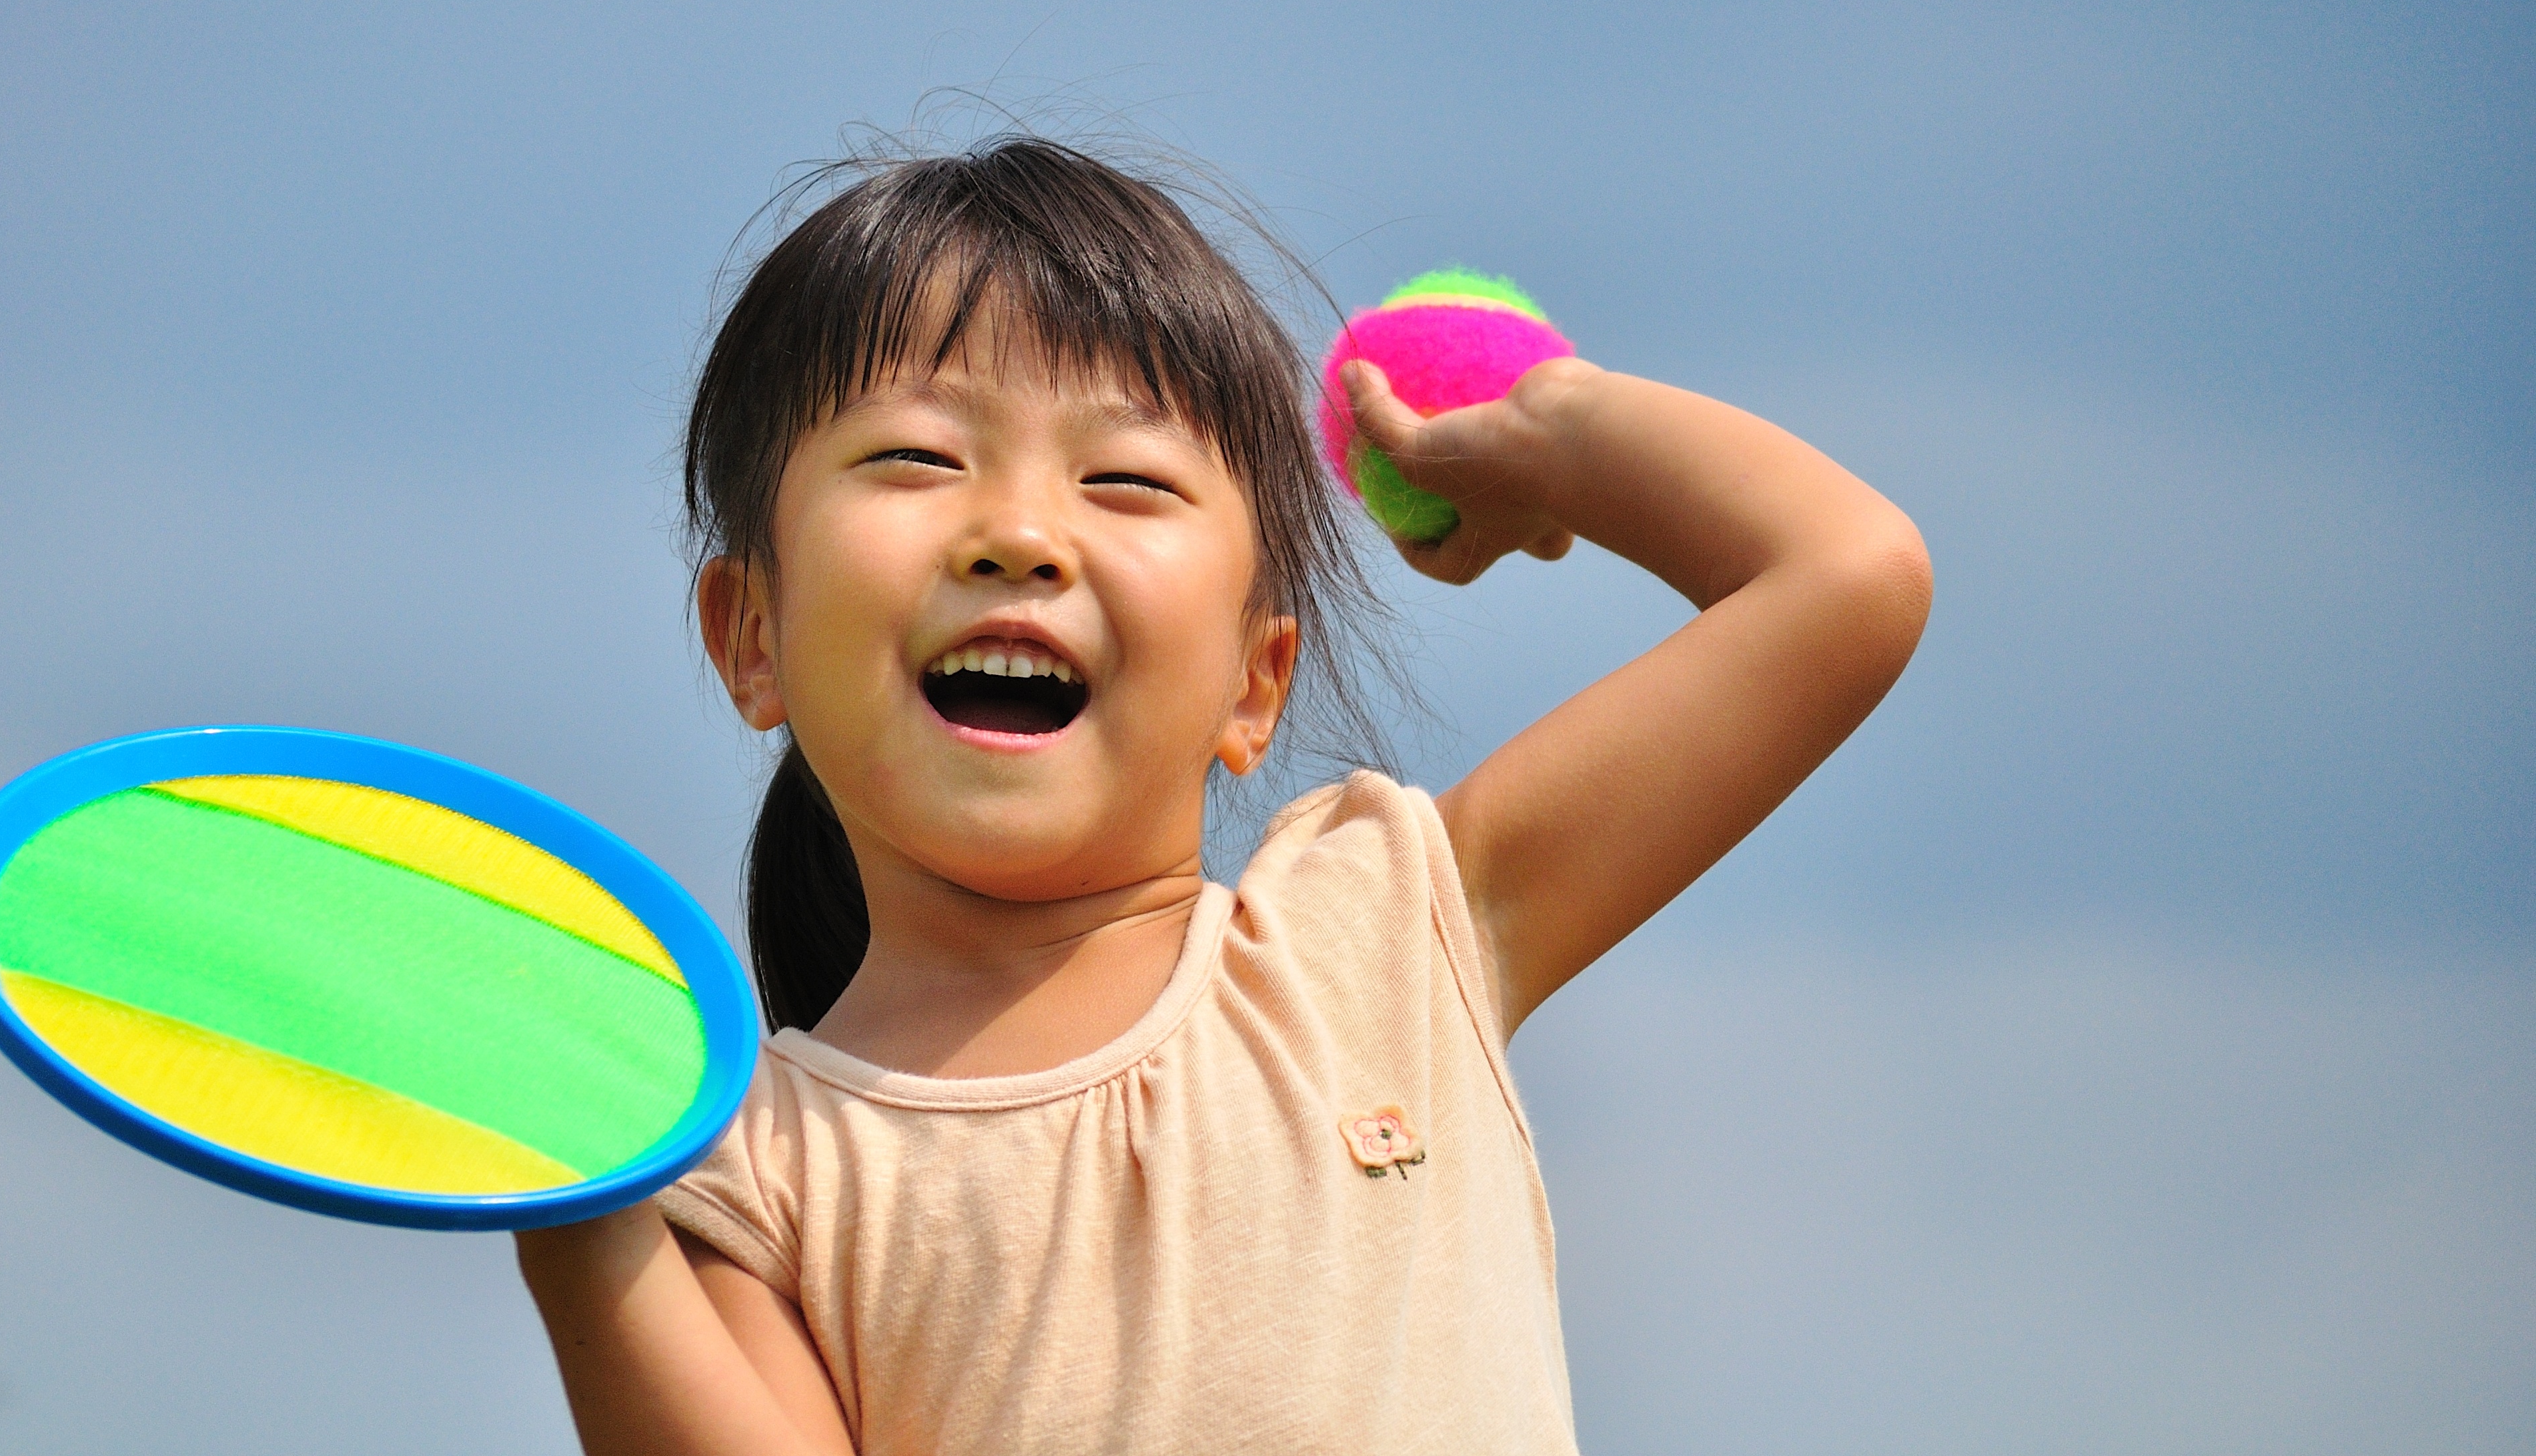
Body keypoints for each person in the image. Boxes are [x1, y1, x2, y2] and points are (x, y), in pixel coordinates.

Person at [517, 137, 1931, 1454]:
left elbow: (1843, 575)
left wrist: (1548, 430)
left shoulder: (1383, 938)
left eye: (1124, 479)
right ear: (748, 635)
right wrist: (568, 1209)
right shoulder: (751, 1179)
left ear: (1253, 685)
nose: (1016, 533)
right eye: (915, 458)